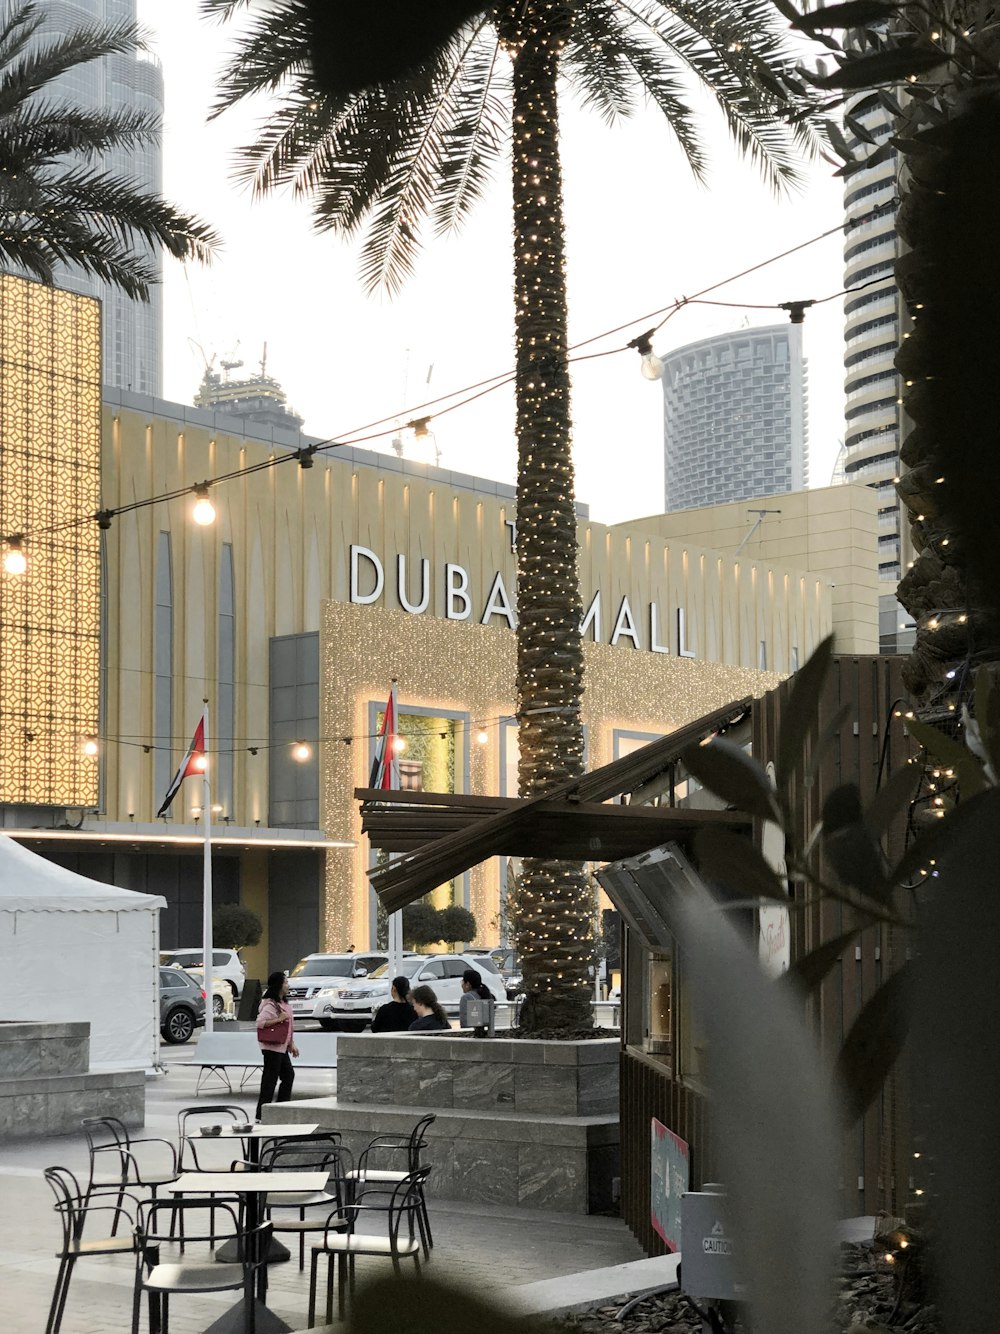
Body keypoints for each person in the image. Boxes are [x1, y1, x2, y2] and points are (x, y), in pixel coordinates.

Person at [255, 970, 298, 1119]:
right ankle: (262, 1114)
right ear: (279, 985)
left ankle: (281, 1107)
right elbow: (260, 1023)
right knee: (270, 1080)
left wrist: (291, 1043)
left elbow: (289, 1026)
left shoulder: (283, 1003)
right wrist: (279, 1019)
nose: (287, 985)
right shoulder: (271, 1004)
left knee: (288, 1075)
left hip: (281, 1046)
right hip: (272, 1047)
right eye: (285, 982)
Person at [459, 969, 494, 1034]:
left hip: (471, 1035)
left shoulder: (466, 998)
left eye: (462, 982)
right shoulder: (486, 995)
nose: (462, 985)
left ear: (468, 984)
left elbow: (464, 1022)